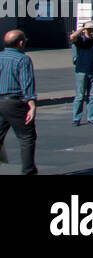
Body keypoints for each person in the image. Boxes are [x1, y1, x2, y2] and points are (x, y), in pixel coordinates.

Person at [0, 29, 38, 174]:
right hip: (15, 102)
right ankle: (28, 171)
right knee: (27, 137)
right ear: (21, 43)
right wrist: (32, 104)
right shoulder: (23, 59)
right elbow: (26, 83)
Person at [70, 24, 93, 126]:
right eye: (89, 29)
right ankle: (76, 118)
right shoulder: (80, 40)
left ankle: (91, 117)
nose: (91, 31)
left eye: (92, 29)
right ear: (84, 30)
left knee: (92, 96)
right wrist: (83, 28)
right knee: (80, 96)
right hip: (82, 70)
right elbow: (72, 37)